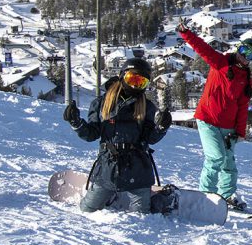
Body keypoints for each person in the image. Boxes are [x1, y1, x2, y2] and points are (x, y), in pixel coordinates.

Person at [63, 57, 172, 213]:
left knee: (141, 216)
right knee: (87, 210)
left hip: (138, 168)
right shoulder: (102, 103)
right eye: (132, 79)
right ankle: (112, 195)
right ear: (122, 76)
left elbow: (150, 138)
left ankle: (159, 200)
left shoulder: (146, 106)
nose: (135, 85)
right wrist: (76, 122)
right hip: (109, 167)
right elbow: (91, 134)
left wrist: (161, 127)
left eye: (141, 82)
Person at [177, 19, 252, 211]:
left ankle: (226, 196)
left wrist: (240, 131)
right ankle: (205, 195)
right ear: (238, 49)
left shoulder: (245, 79)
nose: (245, 57)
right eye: (244, 51)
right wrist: (186, 33)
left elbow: (243, 106)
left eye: (251, 56)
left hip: (228, 126)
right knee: (215, 157)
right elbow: (203, 49)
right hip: (208, 119)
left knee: (228, 163)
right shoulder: (221, 63)